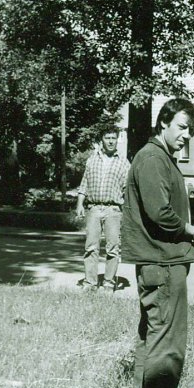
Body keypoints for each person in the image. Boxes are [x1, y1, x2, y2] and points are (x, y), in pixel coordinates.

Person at [121, 97, 194, 388]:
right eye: (182, 127)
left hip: (160, 263)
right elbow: (160, 212)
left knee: (154, 335)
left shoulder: (158, 157)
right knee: (167, 339)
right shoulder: (154, 158)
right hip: (164, 263)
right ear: (164, 124)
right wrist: (191, 231)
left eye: (191, 130)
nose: (187, 135)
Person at [76, 125, 130, 292]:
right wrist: (79, 204)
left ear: (117, 140)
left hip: (113, 210)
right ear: (101, 141)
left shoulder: (123, 162)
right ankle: (90, 283)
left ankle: (108, 282)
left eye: (114, 138)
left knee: (113, 247)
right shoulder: (92, 160)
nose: (111, 141)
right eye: (108, 138)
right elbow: (84, 184)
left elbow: (127, 189)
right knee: (91, 247)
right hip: (93, 209)